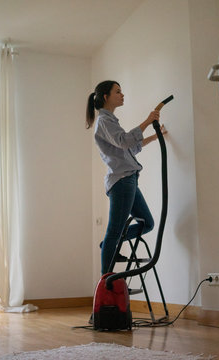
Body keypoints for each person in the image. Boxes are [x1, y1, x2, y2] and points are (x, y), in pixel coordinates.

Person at [86, 80, 167, 275]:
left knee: (147, 223)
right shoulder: (104, 121)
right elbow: (124, 141)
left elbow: (131, 148)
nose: (122, 95)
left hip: (129, 180)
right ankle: (106, 282)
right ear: (106, 97)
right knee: (114, 231)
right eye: (118, 92)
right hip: (122, 182)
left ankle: (107, 245)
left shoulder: (111, 121)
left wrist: (155, 136)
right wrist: (148, 121)